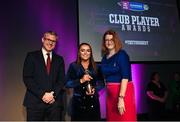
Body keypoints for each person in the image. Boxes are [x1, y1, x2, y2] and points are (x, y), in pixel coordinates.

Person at [23, 31, 65, 121]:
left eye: (53, 41)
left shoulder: (59, 60)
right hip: (34, 102)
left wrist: (52, 95)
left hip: (54, 103)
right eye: (48, 39)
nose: (50, 43)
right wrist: (42, 95)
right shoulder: (31, 56)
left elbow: (61, 80)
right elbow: (27, 78)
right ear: (43, 40)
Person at [101, 29, 137, 121]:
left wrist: (121, 98)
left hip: (123, 93)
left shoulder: (122, 54)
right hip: (110, 95)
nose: (109, 42)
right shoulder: (104, 58)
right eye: (106, 40)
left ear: (115, 40)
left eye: (111, 39)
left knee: (124, 118)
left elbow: (125, 77)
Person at [65, 43, 101, 121]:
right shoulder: (73, 66)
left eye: (88, 51)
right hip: (78, 104)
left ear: (91, 53)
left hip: (93, 103)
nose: (85, 53)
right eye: (82, 50)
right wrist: (81, 80)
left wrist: (95, 89)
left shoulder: (97, 66)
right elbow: (67, 83)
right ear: (79, 52)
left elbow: (101, 83)